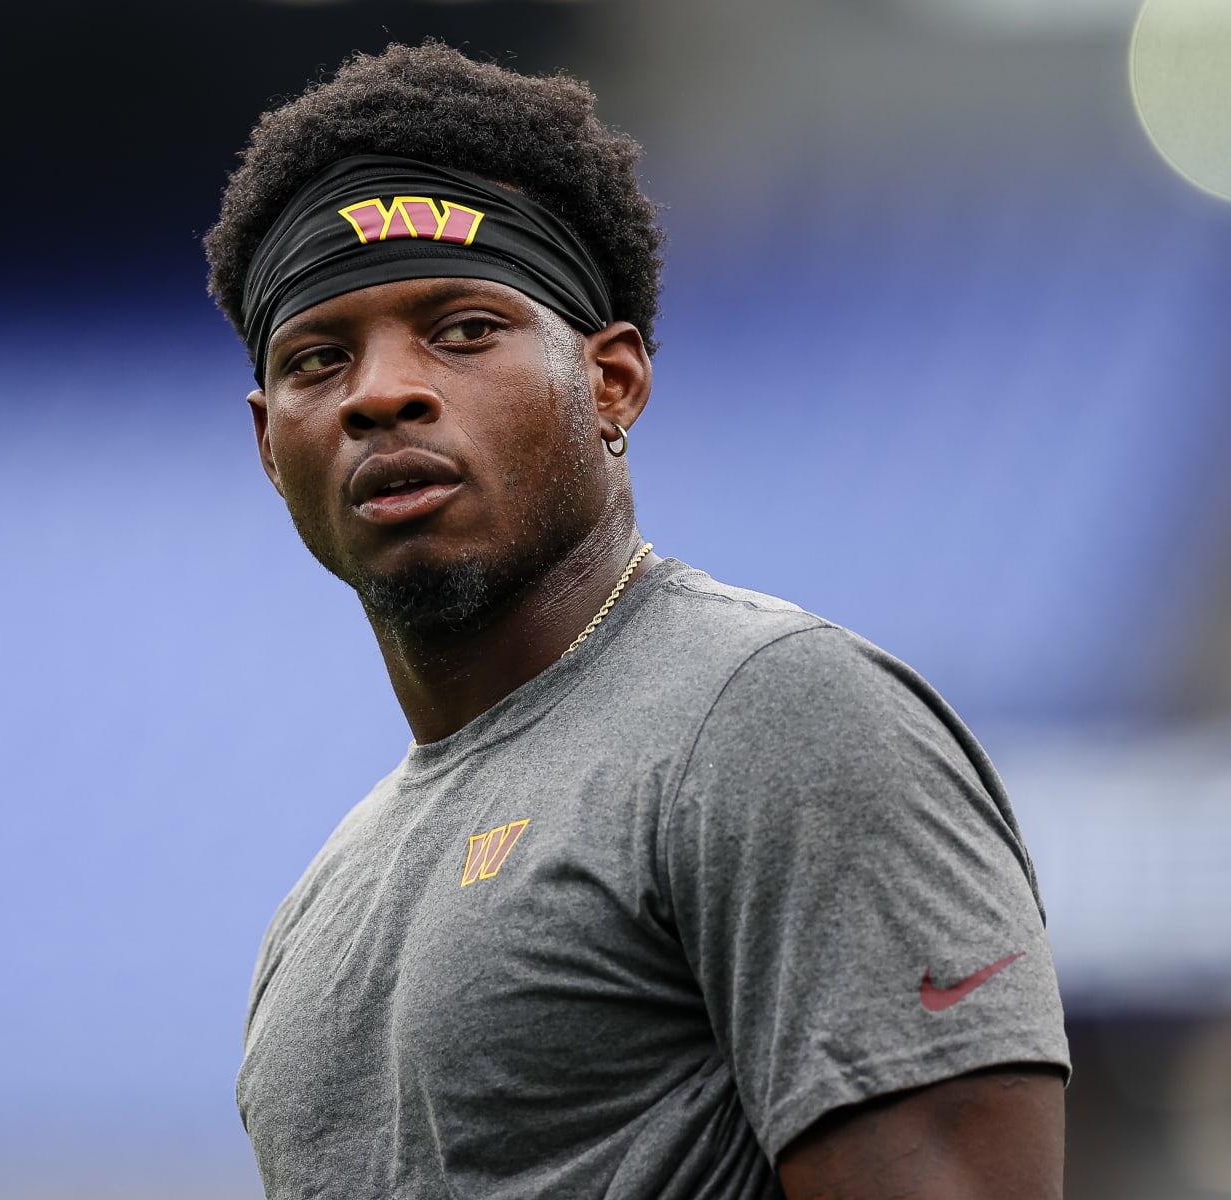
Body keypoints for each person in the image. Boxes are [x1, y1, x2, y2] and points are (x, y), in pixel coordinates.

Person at [204, 42, 1068, 1200]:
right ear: (270, 443)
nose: (380, 392)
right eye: (319, 358)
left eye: (463, 329)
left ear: (612, 382)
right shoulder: (318, 909)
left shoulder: (779, 718)